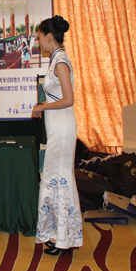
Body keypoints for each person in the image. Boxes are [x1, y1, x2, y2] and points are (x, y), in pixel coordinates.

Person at [31, 15, 82, 256]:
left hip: (62, 128)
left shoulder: (61, 61)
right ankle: (61, 235)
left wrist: (42, 107)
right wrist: (45, 105)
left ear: (49, 37)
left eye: (39, 37)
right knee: (55, 179)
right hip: (57, 128)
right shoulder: (56, 59)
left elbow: (69, 99)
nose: (38, 41)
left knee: (58, 179)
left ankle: (62, 237)